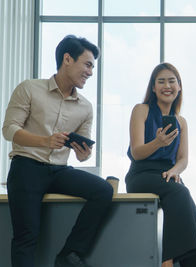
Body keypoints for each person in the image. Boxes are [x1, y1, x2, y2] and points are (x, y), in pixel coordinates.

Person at [2, 35, 113, 267]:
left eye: (93, 66)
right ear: (67, 59)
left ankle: (69, 254)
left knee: (102, 190)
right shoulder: (29, 88)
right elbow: (9, 129)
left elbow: (85, 148)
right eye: (88, 64)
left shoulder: (85, 107)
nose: (91, 72)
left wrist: (84, 154)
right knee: (26, 238)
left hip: (60, 171)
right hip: (26, 167)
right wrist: (45, 141)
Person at [125, 63, 196, 267]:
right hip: (141, 174)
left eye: (172, 81)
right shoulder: (141, 110)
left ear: (179, 87)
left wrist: (174, 171)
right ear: (153, 87)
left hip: (168, 176)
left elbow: (183, 159)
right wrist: (158, 142)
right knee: (180, 193)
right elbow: (136, 152)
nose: (166, 85)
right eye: (160, 81)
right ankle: (167, 261)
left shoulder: (181, 121)